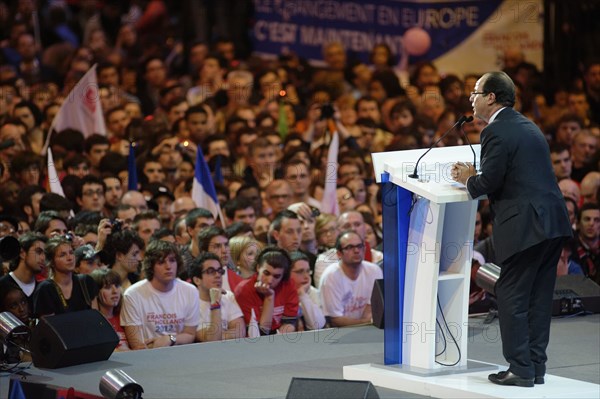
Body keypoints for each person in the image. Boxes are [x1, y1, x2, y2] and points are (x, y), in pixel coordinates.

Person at [451, 71, 572, 387]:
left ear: (491, 97)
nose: (471, 99)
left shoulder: (496, 131)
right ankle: (535, 366)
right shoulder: (526, 125)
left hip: (525, 226)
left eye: (475, 92)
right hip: (552, 222)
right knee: (538, 296)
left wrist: (468, 176)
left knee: (511, 293)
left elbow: (487, 183)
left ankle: (520, 368)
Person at [121, 240, 200, 350]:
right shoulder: (132, 295)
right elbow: (136, 344)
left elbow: (190, 335)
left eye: (172, 260)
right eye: (161, 262)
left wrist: (169, 339)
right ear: (151, 266)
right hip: (147, 355)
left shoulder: (190, 291)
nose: (168, 266)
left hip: (181, 353)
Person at [319, 231, 382, 327]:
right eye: (349, 247)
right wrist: (367, 322)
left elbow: (371, 307)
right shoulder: (330, 277)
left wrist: (366, 324)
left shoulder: (374, 271)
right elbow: (335, 320)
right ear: (339, 253)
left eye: (359, 246)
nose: (356, 250)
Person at [234, 247, 299, 335]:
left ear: (283, 276)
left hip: (280, 337)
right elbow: (260, 333)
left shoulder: (289, 284)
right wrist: (269, 297)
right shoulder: (243, 289)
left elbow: (290, 323)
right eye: (266, 273)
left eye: (276, 276)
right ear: (258, 268)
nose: (270, 280)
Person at [33, 236, 99, 316]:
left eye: (71, 253)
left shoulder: (86, 281)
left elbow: (95, 318)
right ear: (52, 262)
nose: (69, 258)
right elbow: (49, 326)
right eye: (62, 255)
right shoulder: (46, 288)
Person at [189, 252, 246, 342]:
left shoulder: (228, 296)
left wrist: (220, 335)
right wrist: (215, 303)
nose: (218, 275)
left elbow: (241, 332)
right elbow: (212, 341)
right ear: (197, 280)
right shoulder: (191, 304)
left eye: (219, 271)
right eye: (211, 272)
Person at [90, 268, 130, 351]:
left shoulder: (126, 315)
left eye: (117, 286)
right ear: (96, 292)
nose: (115, 291)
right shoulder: (92, 322)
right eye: (107, 287)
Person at [289, 251, 326, 331]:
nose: (306, 277)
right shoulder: (280, 293)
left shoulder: (312, 292)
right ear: (287, 274)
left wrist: (302, 295)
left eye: (308, 271)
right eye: (300, 272)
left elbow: (318, 325)